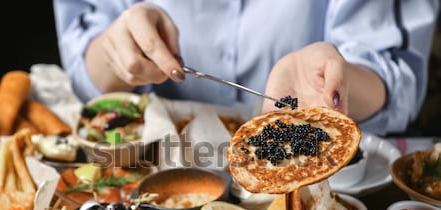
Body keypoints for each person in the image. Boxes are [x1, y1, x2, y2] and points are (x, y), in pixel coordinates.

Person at [53, 0, 439, 136]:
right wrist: (114, 53)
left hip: (326, 175)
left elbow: (395, 78)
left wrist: (333, 83)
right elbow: (85, 79)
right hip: (156, 172)